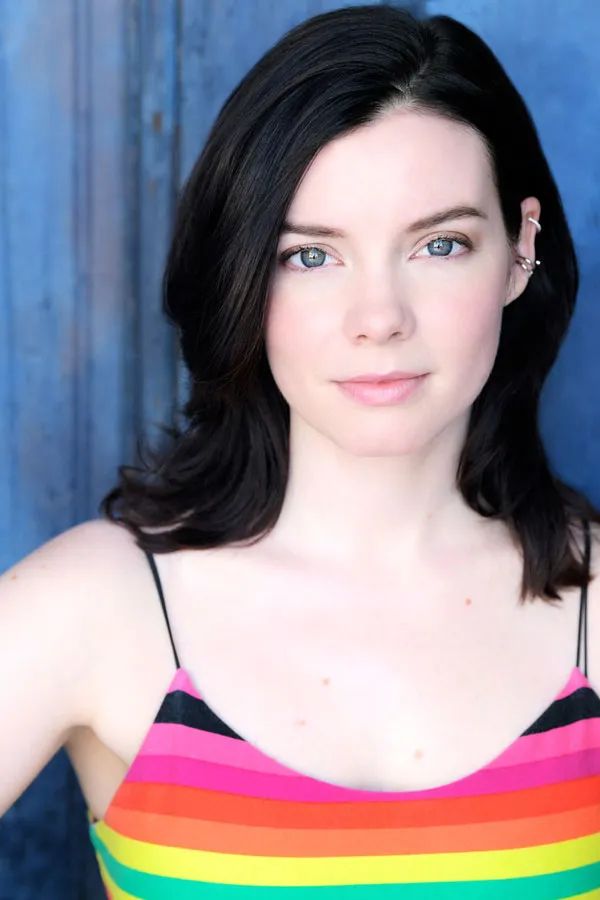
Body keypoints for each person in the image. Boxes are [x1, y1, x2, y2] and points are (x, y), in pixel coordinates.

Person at [1, 3, 599, 896]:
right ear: (243, 271)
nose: (379, 319)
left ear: (521, 249)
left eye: (440, 244)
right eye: (311, 257)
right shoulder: (100, 607)